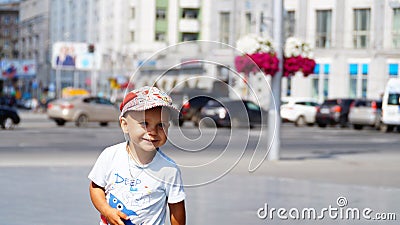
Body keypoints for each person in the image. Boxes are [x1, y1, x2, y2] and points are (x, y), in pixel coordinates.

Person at [88, 86, 186, 225]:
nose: (152, 131)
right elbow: (96, 187)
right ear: (124, 125)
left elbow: (177, 209)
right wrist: (106, 210)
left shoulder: (169, 169)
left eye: (161, 125)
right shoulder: (110, 156)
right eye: (145, 124)